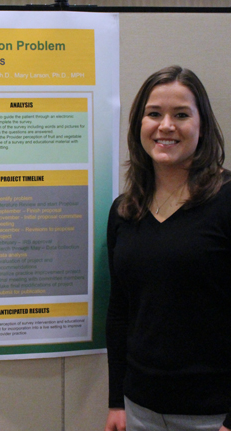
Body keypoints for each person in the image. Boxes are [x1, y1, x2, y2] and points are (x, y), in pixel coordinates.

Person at [105, 65, 231, 431]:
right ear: (139, 124)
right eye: (154, 114)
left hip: (213, 415)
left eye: (181, 115)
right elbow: (120, 311)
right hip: (140, 408)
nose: (166, 126)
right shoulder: (125, 210)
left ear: (202, 126)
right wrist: (116, 401)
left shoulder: (226, 200)